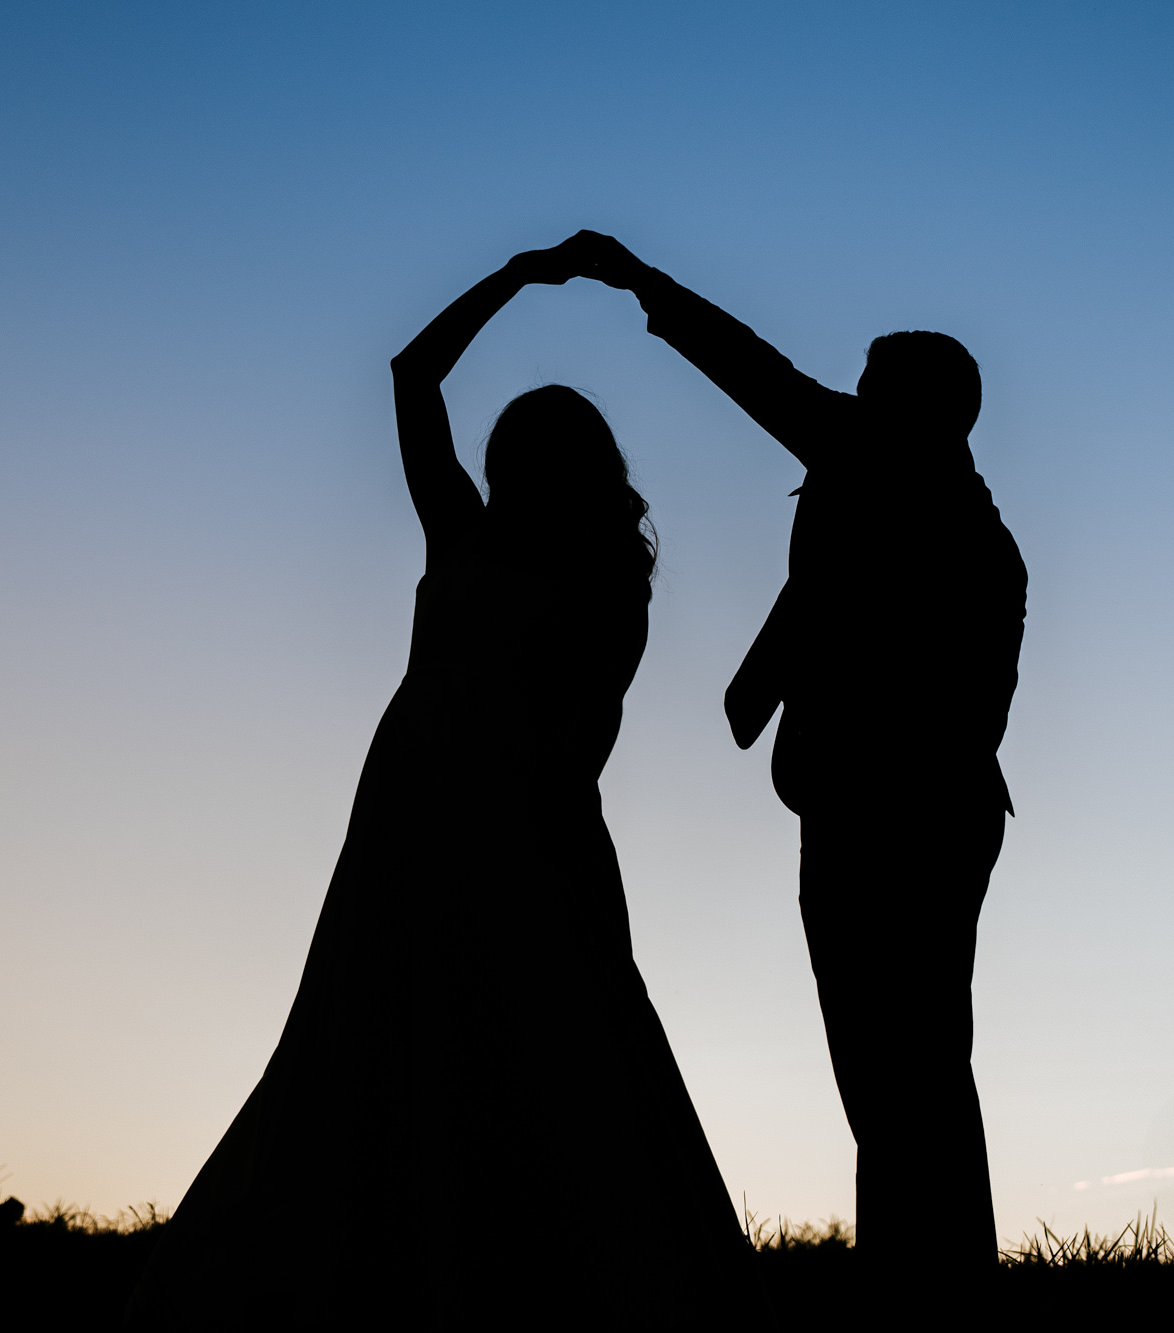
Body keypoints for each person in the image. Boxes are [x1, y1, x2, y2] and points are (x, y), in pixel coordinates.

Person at [126, 237, 760, 1327]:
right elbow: (410, 379)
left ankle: (539, 1278)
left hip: (495, 821)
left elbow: (581, 727)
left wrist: (518, 279)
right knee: (408, 1027)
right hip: (438, 820)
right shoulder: (492, 544)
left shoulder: (567, 571)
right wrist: (516, 275)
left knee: (534, 1039)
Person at [574, 232, 1028, 1310]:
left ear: (915, 410)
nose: (846, 405)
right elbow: (772, 405)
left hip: (899, 815)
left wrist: (642, 282)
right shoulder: (922, 505)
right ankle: (919, 1279)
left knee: (900, 1065)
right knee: (897, 1065)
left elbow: (757, 375)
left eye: (869, 393)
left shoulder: (923, 504)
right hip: (888, 807)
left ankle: (930, 1284)